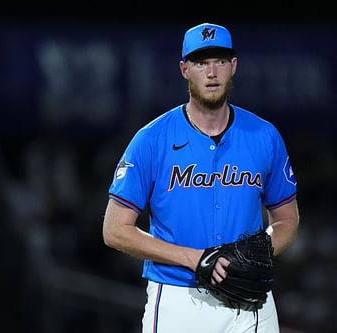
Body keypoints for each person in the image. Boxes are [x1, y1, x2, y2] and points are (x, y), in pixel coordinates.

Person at [102, 22, 300, 333]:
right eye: (200, 62)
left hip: (249, 302)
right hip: (179, 299)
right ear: (184, 69)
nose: (211, 72)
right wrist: (192, 258)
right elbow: (114, 230)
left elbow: (287, 219)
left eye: (220, 61)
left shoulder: (264, 136)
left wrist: (257, 252)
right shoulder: (151, 139)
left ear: (233, 67)